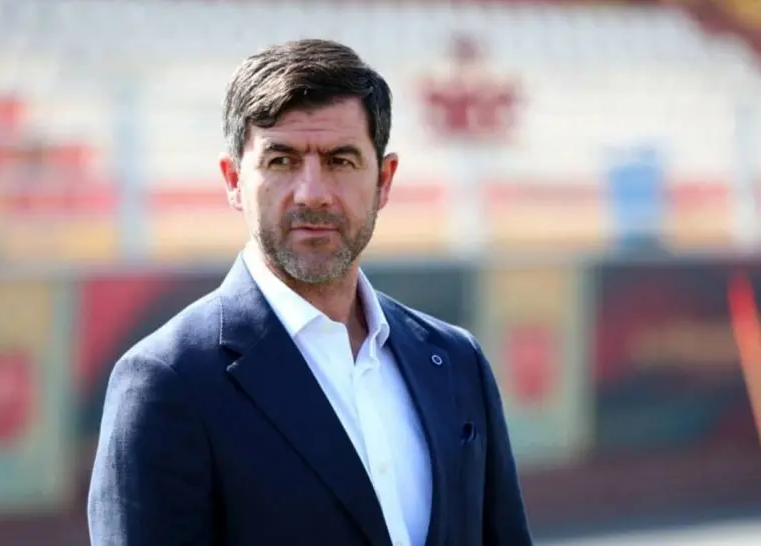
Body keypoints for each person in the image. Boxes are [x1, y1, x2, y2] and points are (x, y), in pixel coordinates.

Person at [87, 38, 533, 546]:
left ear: (384, 180)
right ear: (233, 180)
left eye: (341, 160)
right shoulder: (168, 381)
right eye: (282, 161)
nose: (313, 193)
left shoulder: (455, 360)